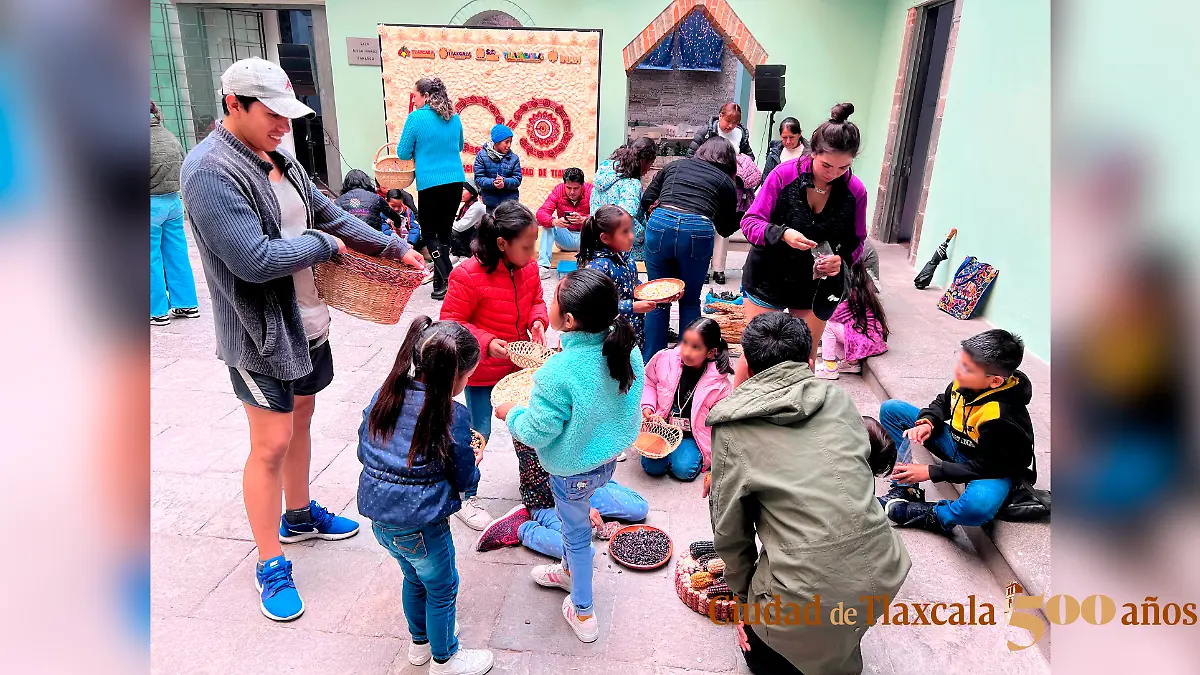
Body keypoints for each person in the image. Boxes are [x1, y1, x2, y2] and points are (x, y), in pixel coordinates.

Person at [179, 58, 425, 622]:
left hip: (306, 320)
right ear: (233, 105)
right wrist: (321, 246)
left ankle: (299, 514)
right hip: (260, 333)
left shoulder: (278, 155)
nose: (284, 127)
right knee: (269, 443)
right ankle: (270, 562)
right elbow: (254, 260)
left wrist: (388, 248)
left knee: (304, 417)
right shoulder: (209, 171)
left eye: (288, 117)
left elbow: (328, 213)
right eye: (272, 115)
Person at [706, 312, 909, 675]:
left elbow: (730, 534)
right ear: (810, 362)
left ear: (745, 364)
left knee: (761, 649)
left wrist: (744, 603)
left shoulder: (732, 428)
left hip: (805, 602)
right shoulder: (839, 399)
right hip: (884, 571)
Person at [495, 269, 644, 643]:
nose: (549, 302)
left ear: (570, 320)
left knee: (576, 535)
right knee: (582, 514)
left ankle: (584, 611)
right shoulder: (628, 348)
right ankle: (566, 570)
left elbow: (534, 432)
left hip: (571, 470)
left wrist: (511, 412)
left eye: (554, 299)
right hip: (605, 461)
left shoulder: (558, 371)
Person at [357, 317, 494, 675]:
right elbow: (464, 476)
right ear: (456, 377)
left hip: (380, 517)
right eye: (468, 377)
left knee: (413, 579)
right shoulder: (452, 415)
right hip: (421, 524)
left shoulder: (388, 393)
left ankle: (420, 644)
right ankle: (445, 658)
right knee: (442, 587)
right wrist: (473, 460)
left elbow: (366, 445)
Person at [440, 201, 548, 529]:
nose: (533, 253)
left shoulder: (528, 268)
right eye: (526, 246)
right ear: (502, 244)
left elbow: (537, 301)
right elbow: (450, 322)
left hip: (521, 371)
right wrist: (487, 343)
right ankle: (464, 496)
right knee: (478, 433)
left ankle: (537, 490)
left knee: (528, 430)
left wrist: (539, 321)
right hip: (483, 372)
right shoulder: (467, 275)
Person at [740, 102, 869, 362]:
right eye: (826, 165)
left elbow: (856, 240)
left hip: (814, 285)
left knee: (804, 360)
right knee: (754, 358)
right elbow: (750, 222)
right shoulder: (782, 175)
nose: (833, 174)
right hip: (768, 277)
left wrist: (840, 261)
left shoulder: (855, 191)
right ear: (813, 152)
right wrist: (782, 234)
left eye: (843, 167)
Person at [878, 329, 1036, 534]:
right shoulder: (968, 381)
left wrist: (931, 472)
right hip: (959, 446)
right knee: (892, 409)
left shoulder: (1002, 417)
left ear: (995, 381)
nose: (958, 373)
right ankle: (907, 486)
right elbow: (943, 402)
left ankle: (935, 515)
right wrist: (928, 422)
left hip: (992, 467)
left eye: (967, 369)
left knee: (977, 506)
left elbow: (986, 466)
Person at [639, 137, 738, 362]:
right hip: (697, 231)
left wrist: (661, 219)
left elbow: (647, 200)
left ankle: (652, 363)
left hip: (660, 225)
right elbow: (725, 228)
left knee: (658, 299)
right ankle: (687, 363)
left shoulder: (675, 166)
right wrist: (745, 215)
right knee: (690, 300)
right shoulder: (724, 181)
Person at [473, 439, 649, 556]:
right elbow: (545, 482)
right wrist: (579, 509)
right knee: (583, 550)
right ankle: (522, 527)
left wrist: (595, 481)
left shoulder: (577, 408)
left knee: (640, 508)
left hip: (582, 486)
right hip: (547, 501)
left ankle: (597, 486)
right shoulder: (532, 428)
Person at [396, 77, 466, 300]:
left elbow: (403, 153)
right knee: (443, 232)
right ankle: (439, 286)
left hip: (430, 182)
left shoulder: (415, 118)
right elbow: (459, 146)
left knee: (428, 232)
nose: (413, 100)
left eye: (415, 96)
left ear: (425, 96)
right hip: (455, 180)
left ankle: (449, 278)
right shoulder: (453, 117)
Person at [641, 317, 733, 482]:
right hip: (664, 428)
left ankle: (682, 455)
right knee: (652, 467)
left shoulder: (720, 385)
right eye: (685, 343)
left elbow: (722, 423)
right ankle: (672, 456)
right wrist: (648, 407)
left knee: (683, 470)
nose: (686, 351)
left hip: (693, 435)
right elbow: (648, 381)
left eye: (695, 347)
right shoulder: (664, 359)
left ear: (711, 352)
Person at [576, 205, 656, 349]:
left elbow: (632, 284)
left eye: (630, 230)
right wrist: (632, 307)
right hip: (612, 339)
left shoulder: (626, 258)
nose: (631, 236)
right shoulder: (598, 268)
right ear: (605, 238)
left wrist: (653, 294)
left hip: (633, 332)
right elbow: (595, 308)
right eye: (625, 232)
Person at [150, 100, 199, 326]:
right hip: (173, 203)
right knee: (177, 253)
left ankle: (156, 310)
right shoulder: (169, 137)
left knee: (149, 258)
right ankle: (187, 304)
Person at [815, 258, 889, 380]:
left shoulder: (849, 292)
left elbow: (832, 314)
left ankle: (829, 367)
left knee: (828, 323)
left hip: (864, 341)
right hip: (869, 339)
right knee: (836, 326)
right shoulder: (861, 288)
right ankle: (851, 363)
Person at [591, 137, 657, 261]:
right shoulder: (631, 184)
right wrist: (644, 236)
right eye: (650, 164)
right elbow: (625, 220)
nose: (648, 170)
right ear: (643, 161)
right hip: (623, 252)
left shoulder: (603, 175)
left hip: (599, 245)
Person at [535, 167, 592, 277]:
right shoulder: (558, 190)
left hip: (586, 239)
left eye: (576, 188)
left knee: (598, 226)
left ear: (582, 185)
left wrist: (584, 220)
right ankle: (543, 266)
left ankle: (594, 264)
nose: (571, 192)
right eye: (568, 187)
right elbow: (541, 213)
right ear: (564, 184)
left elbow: (602, 217)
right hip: (565, 238)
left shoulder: (591, 191)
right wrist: (555, 221)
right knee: (548, 224)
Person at [334, 169, 410, 234]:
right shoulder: (376, 198)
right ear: (366, 182)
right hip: (373, 240)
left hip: (348, 241)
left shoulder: (339, 201)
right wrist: (397, 226)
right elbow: (393, 215)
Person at [474, 124, 522, 211]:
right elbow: (479, 179)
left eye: (510, 142)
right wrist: (493, 183)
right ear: (497, 141)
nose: (509, 145)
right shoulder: (482, 156)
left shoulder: (514, 158)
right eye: (506, 142)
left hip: (510, 205)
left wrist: (505, 182)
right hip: (490, 204)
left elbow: (517, 179)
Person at [687, 101, 755, 160]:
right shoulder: (707, 132)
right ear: (721, 116)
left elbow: (751, 157)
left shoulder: (740, 134)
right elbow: (690, 155)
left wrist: (740, 161)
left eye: (734, 123)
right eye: (728, 121)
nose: (730, 126)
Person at [760, 116, 808, 183]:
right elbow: (766, 181)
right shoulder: (774, 155)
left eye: (791, 137)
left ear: (799, 134)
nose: (788, 141)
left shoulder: (809, 154)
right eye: (784, 137)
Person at [451, 180, 484, 260]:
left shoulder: (477, 207)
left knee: (448, 230)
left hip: (474, 240)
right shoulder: (467, 206)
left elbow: (460, 227)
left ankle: (463, 254)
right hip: (468, 237)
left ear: (472, 193)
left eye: (462, 190)